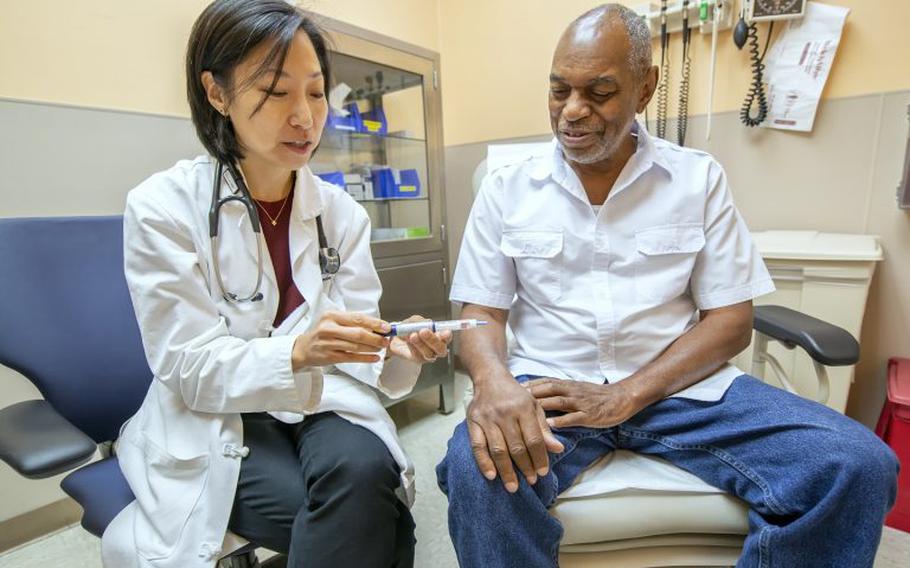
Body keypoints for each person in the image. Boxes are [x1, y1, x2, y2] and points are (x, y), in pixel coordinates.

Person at [436, 4, 898, 567]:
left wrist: (626, 395)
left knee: (856, 463)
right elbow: (479, 312)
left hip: (681, 394)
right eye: (559, 91)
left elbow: (731, 321)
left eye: (599, 93)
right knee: (479, 469)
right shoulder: (508, 189)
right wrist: (492, 381)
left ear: (646, 87)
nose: (572, 113)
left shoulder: (696, 178)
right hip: (551, 396)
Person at [102, 2, 451, 567]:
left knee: (366, 475)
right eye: (274, 92)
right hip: (216, 412)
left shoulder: (340, 213)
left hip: (323, 399)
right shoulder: (162, 208)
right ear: (217, 94)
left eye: (315, 93)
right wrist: (295, 352)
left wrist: (394, 346)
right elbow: (187, 363)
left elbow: (357, 348)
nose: (304, 117)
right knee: (370, 515)